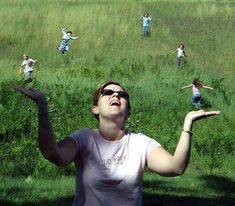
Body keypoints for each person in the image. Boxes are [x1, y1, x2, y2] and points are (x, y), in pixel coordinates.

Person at [14, 81, 220, 206]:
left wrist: (187, 124)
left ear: (128, 110)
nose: (116, 95)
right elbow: (54, 154)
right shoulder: (83, 139)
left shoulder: (141, 144)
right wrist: (42, 105)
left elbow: (175, 168)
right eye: (108, 93)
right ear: (95, 108)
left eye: (122, 95)